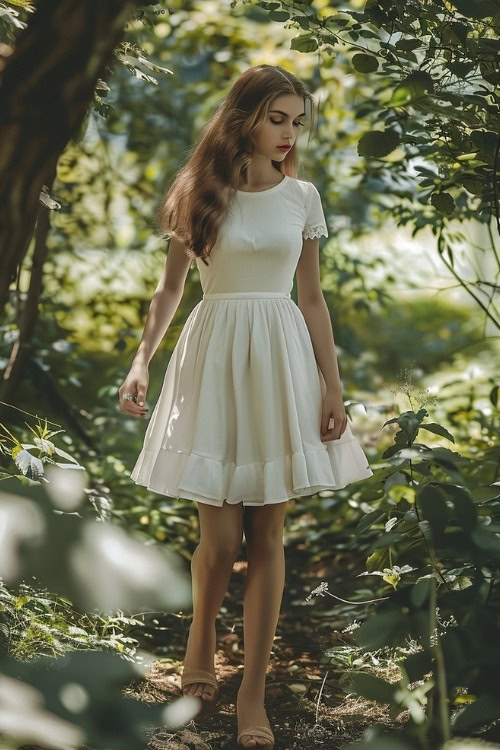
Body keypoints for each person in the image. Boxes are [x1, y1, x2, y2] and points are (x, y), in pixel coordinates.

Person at [118, 64, 373, 749]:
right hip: (213, 355)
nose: (289, 135)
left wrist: (332, 385)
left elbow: (311, 299)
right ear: (245, 118)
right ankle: (199, 644)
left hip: (282, 359)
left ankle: (250, 694)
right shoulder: (199, 193)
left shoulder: (302, 199)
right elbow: (170, 291)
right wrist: (142, 361)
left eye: (297, 122)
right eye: (277, 119)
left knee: (266, 536)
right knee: (221, 538)